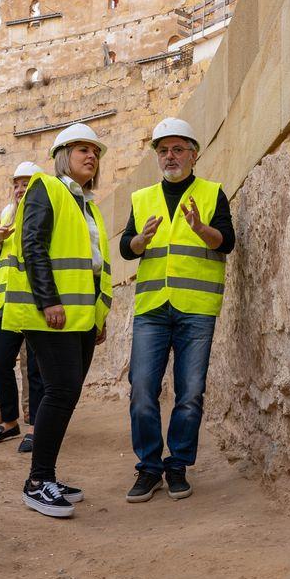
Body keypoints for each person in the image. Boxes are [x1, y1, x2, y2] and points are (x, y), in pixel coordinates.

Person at [120, 118, 234, 503]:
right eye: (163, 150)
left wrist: (201, 228)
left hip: (196, 309)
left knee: (190, 393)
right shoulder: (141, 199)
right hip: (152, 308)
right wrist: (140, 240)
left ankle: (177, 464)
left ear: (194, 153)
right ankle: (149, 467)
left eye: (178, 149)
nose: (170, 156)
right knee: (142, 390)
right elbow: (126, 248)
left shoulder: (213, 193)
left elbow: (227, 242)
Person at [2, 124, 110, 518]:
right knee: (60, 391)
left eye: (95, 152)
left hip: (80, 316)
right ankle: (37, 481)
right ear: (63, 154)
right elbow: (33, 245)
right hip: (52, 313)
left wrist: (99, 316)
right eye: (82, 149)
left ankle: (46, 474)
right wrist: (48, 300)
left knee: (66, 394)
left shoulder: (88, 204)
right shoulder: (46, 188)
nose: (91, 157)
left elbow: (96, 268)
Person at [0, 161, 44, 452]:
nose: (20, 189)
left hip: (33, 303)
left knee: (36, 369)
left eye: (26, 183)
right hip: (6, 304)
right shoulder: (8, 214)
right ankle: (9, 422)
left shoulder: (44, 213)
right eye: (16, 184)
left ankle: (36, 429)